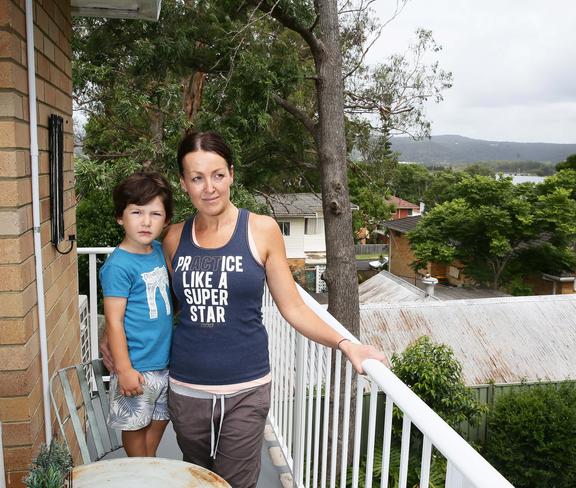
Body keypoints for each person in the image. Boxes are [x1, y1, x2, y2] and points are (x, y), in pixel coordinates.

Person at [103, 131, 388, 487]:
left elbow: (294, 306)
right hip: (187, 388)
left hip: (246, 390)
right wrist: (110, 336)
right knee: (199, 477)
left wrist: (347, 344)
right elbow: (151, 299)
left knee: (236, 482)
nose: (209, 187)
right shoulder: (173, 237)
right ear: (184, 182)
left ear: (232, 174)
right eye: (197, 178)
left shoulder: (262, 230)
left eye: (218, 175)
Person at [99, 171, 174, 457]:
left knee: (158, 421)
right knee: (134, 428)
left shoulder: (157, 251)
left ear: (165, 220)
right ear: (120, 217)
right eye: (136, 212)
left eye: (155, 214)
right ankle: (139, 472)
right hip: (136, 367)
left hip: (165, 364)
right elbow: (114, 322)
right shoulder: (118, 266)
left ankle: (146, 469)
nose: (146, 221)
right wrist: (125, 369)